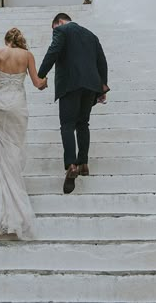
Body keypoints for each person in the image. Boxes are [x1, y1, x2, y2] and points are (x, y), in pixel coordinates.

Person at [0, 27, 47, 239]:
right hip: (17, 105)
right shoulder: (27, 55)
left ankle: (3, 191)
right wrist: (44, 82)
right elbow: (37, 83)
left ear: (6, 40)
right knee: (14, 147)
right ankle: (15, 188)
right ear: (20, 41)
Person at [38, 12, 109, 194]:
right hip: (91, 85)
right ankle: (83, 162)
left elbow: (53, 51)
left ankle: (71, 165)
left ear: (60, 22)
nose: (55, 31)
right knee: (83, 123)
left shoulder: (62, 31)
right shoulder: (91, 35)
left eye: (54, 27)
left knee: (67, 125)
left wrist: (40, 74)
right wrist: (102, 87)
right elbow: (102, 62)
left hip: (70, 83)